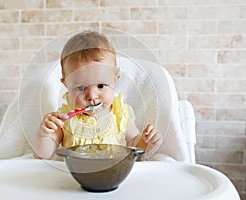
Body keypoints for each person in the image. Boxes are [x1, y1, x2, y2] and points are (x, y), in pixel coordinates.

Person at [32, 30, 163, 160]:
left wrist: (146, 141)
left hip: (113, 174)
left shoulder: (120, 114)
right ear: (66, 85)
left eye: (101, 86)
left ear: (115, 79)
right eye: (81, 88)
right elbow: (43, 155)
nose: (92, 96)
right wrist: (44, 134)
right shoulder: (65, 120)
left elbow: (134, 144)